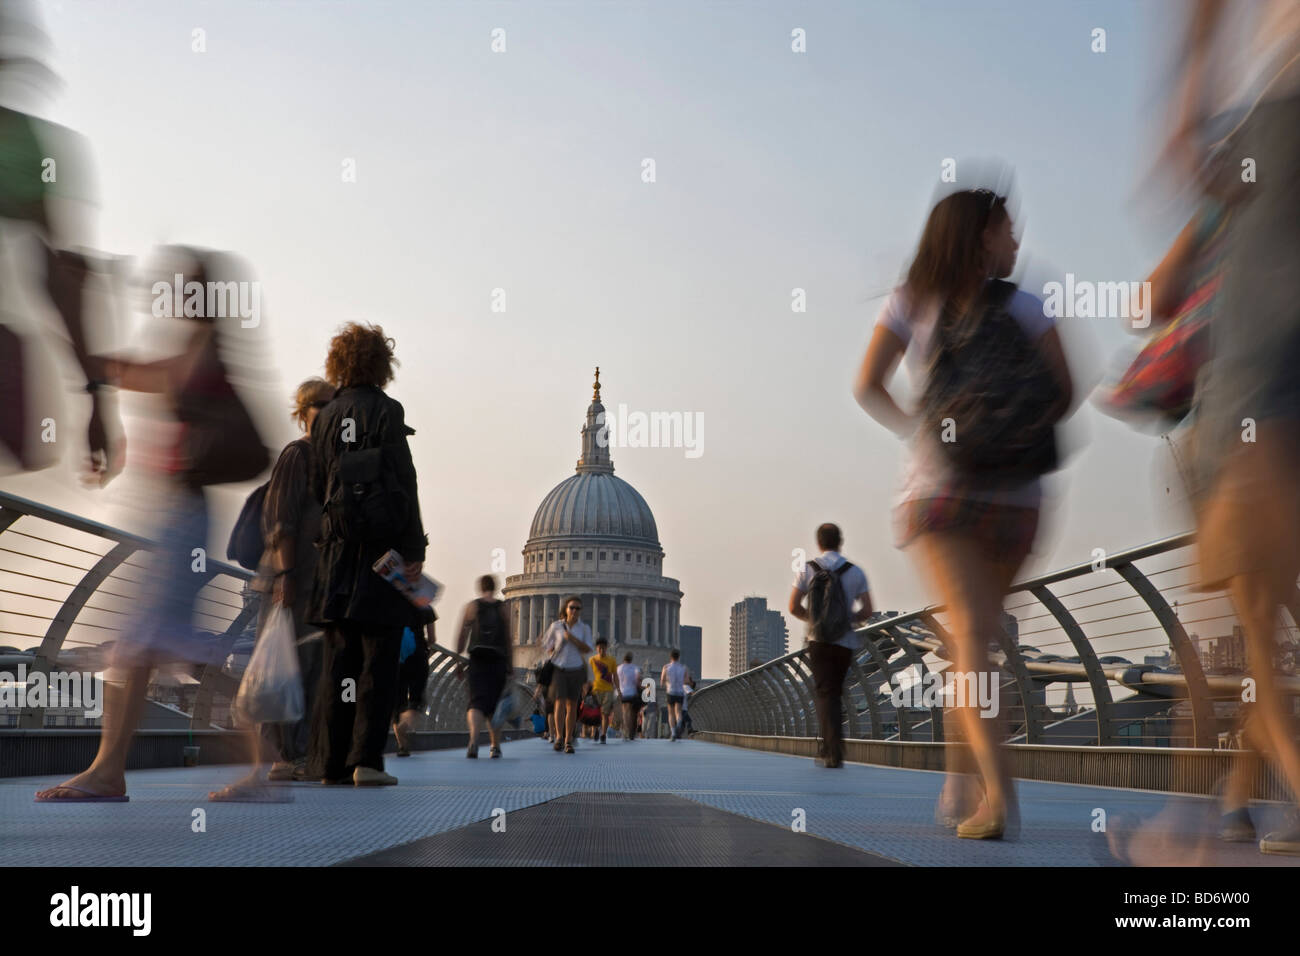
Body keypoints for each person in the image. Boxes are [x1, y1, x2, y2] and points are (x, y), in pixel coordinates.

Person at [1124, 0, 1300, 860]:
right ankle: (1240, 797)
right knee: (1268, 615)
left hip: (1238, 423)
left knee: (1260, 614)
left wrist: (1190, 96)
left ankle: (1251, 795)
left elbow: (1149, 300)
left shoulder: (1250, 173)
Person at [853, 186, 1072, 839]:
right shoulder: (1032, 306)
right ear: (981, 235)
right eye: (1009, 229)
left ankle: (983, 792)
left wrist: (925, 433)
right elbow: (1065, 391)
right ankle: (980, 791)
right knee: (979, 639)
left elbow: (867, 384)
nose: (1017, 240)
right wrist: (1012, 433)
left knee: (970, 640)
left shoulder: (911, 301)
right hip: (1019, 498)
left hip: (941, 492)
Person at [37, 248, 272, 803]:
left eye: (176, 285)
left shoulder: (202, 353)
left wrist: (83, 305)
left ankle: (110, 773)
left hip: (182, 517)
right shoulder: (204, 351)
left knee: (144, 645)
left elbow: (134, 371)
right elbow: (128, 371)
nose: (164, 294)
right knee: (164, 647)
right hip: (178, 514)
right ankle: (256, 770)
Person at [306, 322, 426, 787]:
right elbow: (405, 482)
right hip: (382, 556)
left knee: (339, 664)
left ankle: (331, 763)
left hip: (336, 557)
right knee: (379, 663)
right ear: (382, 364)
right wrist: (413, 551)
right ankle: (367, 762)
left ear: (338, 364)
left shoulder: (326, 417)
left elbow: (317, 489)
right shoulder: (388, 411)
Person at [789, 523, 873, 768]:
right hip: (844, 641)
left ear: (819, 543)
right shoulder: (855, 572)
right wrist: (847, 620)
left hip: (819, 641)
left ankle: (831, 749)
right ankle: (834, 746)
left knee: (824, 693)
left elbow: (793, 606)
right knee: (835, 691)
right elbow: (867, 610)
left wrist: (814, 620)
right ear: (841, 541)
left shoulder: (807, 569)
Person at [455, 574, 513, 758]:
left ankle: (473, 740)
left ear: (480, 587)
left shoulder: (472, 607)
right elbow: (509, 639)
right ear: (495, 588)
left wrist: (457, 659)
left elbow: (461, 634)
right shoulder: (502, 608)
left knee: (476, 702)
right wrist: (510, 665)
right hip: (497, 659)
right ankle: (495, 746)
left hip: (477, 659)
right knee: (496, 704)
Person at [541, 596, 591, 754]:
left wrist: (572, 640)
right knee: (559, 704)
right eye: (572, 607)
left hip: (576, 669)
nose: (574, 611)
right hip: (559, 668)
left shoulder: (584, 629)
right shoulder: (556, 626)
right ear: (566, 609)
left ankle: (568, 739)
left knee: (572, 706)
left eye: (578, 608)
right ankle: (559, 738)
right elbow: (547, 646)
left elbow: (587, 649)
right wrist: (555, 648)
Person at [392, 606, 435, 757]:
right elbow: (432, 639)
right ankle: (405, 726)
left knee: (398, 702)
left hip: (396, 657)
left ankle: (402, 746)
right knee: (416, 700)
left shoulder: (393, 603)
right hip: (418, 655)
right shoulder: (426, 607)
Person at [588, 637, 618, 744]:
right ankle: (596, 729)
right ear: (596, 648)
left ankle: (603, 734)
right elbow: (589, 675)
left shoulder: (612, 660)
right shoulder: (592, 660)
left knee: (605, 714)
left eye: (603, 648)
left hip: (608, 690)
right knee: (596, 713)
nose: (601, 650)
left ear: (607, 648)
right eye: (600, 648)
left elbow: (615, 676)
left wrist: (618, 689)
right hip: (596, 690)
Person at [660, 650, 692, 742]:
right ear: (679, 657)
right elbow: (687, 681)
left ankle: (673, 733)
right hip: (680, 692)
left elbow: (662, 681)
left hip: (670, 692)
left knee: (671, 713)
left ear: (670, 657)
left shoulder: (666, 667)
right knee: (678, 711)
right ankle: (679, 724)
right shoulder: (683, 668)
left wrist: (667, 682)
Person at [617, 652, 642, 741]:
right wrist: (639, 687)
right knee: (632, 713)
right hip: (632, 693)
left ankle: (626, 730)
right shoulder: (635, 668)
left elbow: (615, 680)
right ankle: (631, 731)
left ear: (623, 659)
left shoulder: (619, 668)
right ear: (631, 660)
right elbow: (638, 679)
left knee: (625, 712)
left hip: (623, 693)